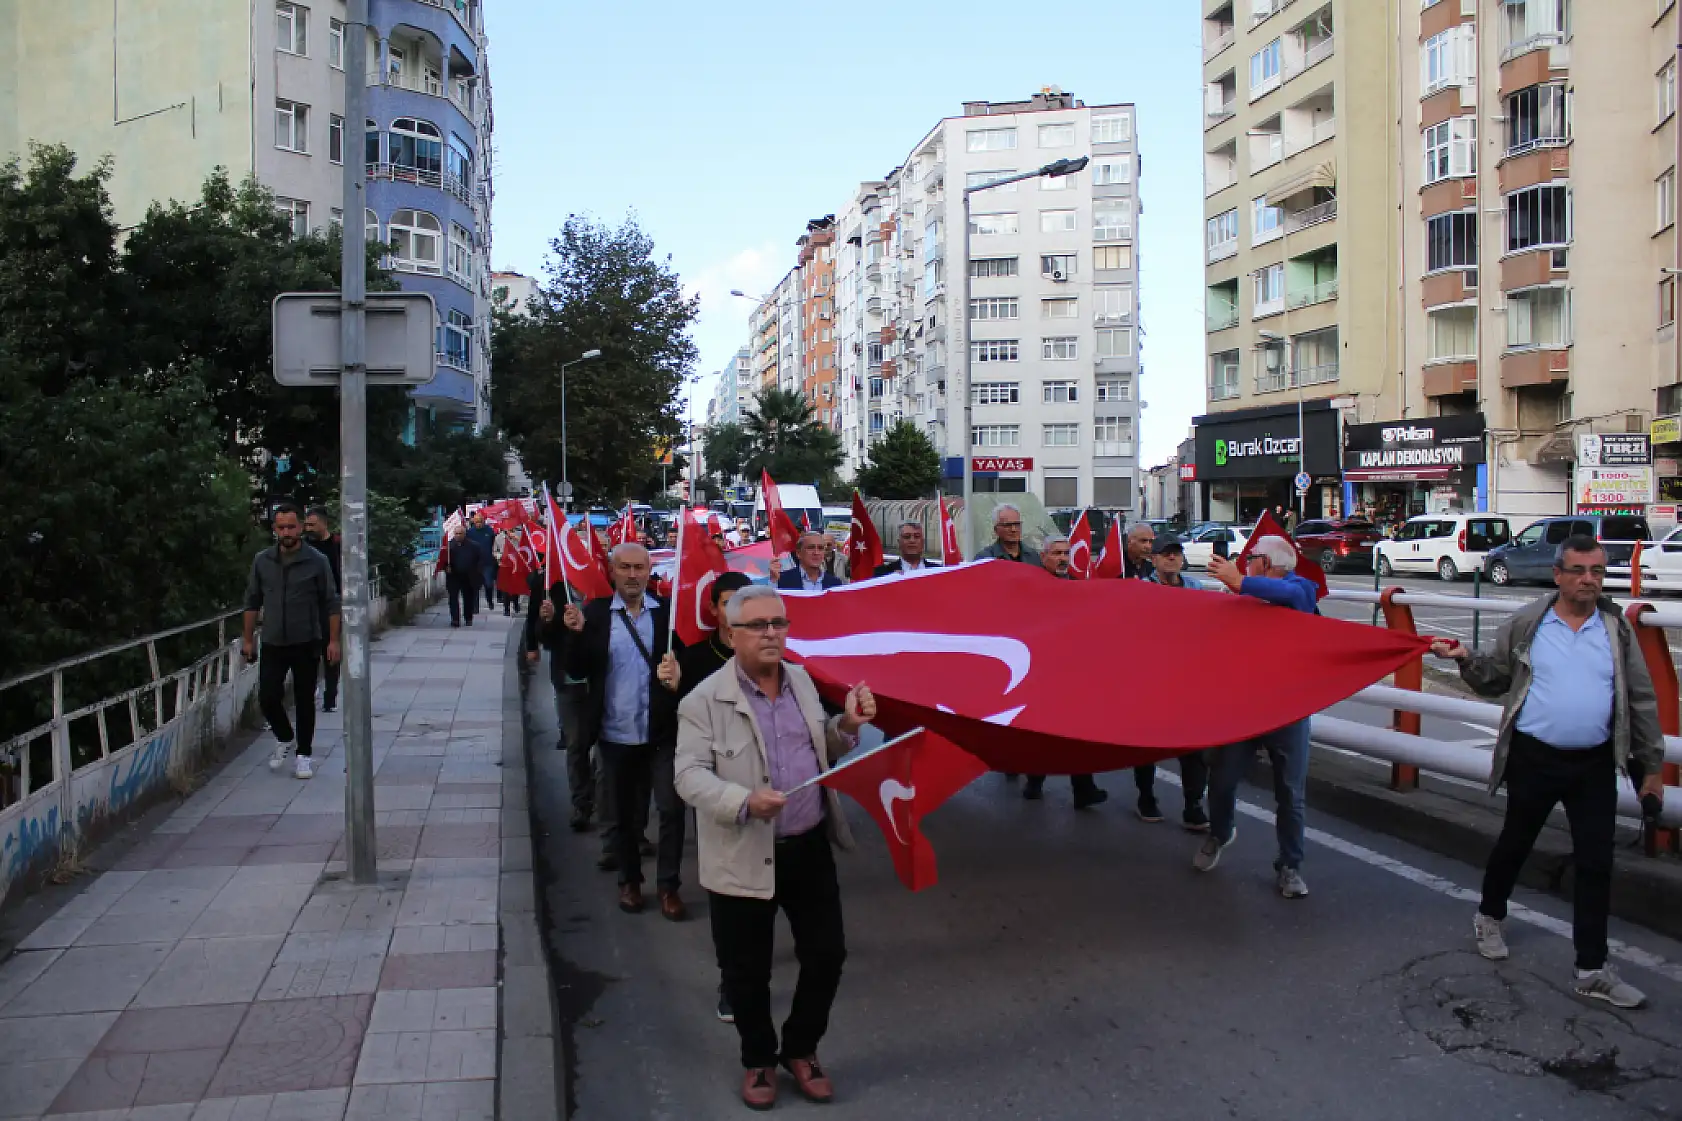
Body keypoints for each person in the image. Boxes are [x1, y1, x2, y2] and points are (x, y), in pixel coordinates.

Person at [1432, 535, 1664, 1009]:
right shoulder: (1529, 624)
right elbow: (1495, 677)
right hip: (1535, 757)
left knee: (1597, 863)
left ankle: (1592, 969)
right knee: (1516, 843)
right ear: (1557, 575)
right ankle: (1490, 914)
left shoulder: (1616, 630)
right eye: (1578, 570)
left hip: (1594, 763)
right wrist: (1463, 660)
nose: (1588, 580)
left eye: (1597, 571)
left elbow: (1640, 698)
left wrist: (1652, 768)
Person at [674, 585, 877, 1109]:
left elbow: (821, 745)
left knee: (827, 954)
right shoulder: (703, 700)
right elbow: (687, 777)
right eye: (759, 626)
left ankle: (801, 1049)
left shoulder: (804, 684)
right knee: (747, 970)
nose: (771, 634)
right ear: (732, 632)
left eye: (779, 624)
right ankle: (759, 1059)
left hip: (807, 846)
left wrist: (848, 726)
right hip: (742, 850)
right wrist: (742, 801)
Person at [562, 543, 687, 919]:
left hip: (661, 734)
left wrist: (678, 677)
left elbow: (686, 666)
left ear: (649, 571)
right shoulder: (595, 614)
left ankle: (668, 886)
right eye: (625, 567)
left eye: (639, 567)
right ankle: (630, 881)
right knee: (623, 814)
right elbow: (577, 669)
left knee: (670, 810)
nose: (633, 575)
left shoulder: (667, 614)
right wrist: (576, 635)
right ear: (612, 571)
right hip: (615, 734)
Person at [1199, 538, 1318, 897]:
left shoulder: (1301, 589)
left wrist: (1241, 582)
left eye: (1250, 559)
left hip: (1289, 708)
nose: (1245, 564)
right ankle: (1220, 832)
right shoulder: (1240, 595)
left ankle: (1290, 865)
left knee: (1290, 793)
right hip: (1244, 706)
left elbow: (1293, 597)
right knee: (1221, 779)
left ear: (1266, 562)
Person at [241, 504, 341, 781]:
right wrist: (247, 640)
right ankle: (284, 736)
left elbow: (332, 603)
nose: (286, 532)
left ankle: (304, 755)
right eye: (281, 527)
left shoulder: (316, 561)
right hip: (273, 641)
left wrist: (334, 641)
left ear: (300, 527)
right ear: (275, 529)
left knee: (305, 700)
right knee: (268, 697)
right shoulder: (263, 561)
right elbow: (251, 602)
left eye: (291, 526)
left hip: (306, 640)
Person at [1022, 537, 1107, 809]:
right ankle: (1035, 780)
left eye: (1066, 553)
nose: (1062, 558)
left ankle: (1083, 788)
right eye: (1056, 553)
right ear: (1043, 556)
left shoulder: (1076, 587)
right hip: (1040, 672)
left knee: (1077, 732)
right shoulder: (1031, 586)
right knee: (1042, 733)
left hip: (1071, 673)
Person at [1141, 535, 1210, 831]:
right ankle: (1146, 797)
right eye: (1166, 554)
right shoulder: (1141, 590)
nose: (1172, 558)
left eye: (1177, 554)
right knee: (1146, 744)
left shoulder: (1196, 588)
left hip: (1186, 681)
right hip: (1150, 679)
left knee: (1193, 746)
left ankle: (1193, 804)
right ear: (1153, 559)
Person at [1119, 523, 1171, 821]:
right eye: (1143, 541)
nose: (1149, 546)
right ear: (1129, 542)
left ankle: (1148, 796)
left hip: (1152, 666)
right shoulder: (1113, 564)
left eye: (1153, 541)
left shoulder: (1160, 578)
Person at [303, 506, 343, 713]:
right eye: (306, 524)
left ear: (324, 523)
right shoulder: (304, 546)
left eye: (312, 524)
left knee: (332, 650)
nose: (308, 528)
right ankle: (309, 692)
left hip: (331, 605)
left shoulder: (337, 545)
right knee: (309, 652)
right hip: (308, 607)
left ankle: (330, 696)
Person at [774, 532, 846, 591]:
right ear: (798, 553)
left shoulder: (835, 583)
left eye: (820, 548)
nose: (816, 552)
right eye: (811, 548)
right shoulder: (782, 579)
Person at [444, 524, 484, 627]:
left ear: (464, 534)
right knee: (453, 598)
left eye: (460, 533)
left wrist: (478, 575)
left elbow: (479, 561)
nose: (458, 535)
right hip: (453, 576)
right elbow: (443, 561)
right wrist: (446, 567)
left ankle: (468, 617)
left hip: (468, 576)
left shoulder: (474, 546)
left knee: (468, 598)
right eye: (456, 533)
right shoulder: (449, 546)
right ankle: (455, 619)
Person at [975, 504, 1040, 565]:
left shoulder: (1033, 556)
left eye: (1017, 524)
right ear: (996, 529)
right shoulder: (985, 558)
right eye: (1008, 525)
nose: (1013, 529)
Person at [874, 522, 940, 577]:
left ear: (923, 542)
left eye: (917, 536)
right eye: (907, 537)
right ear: (899, 542)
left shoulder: (938, 571)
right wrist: (891, 580)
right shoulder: (883, 574)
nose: (912, 541)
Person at [467, 510, 498, 611]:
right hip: (474, 563)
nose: (478, 524)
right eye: (476, 522)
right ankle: (475, 606)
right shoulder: (470, 532)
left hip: (487, 562)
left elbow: (494, 543)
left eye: (480, 521)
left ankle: (489, 600)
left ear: (483, 521)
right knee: (475, 586)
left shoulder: (489, 531)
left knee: (489, 584)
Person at [494, 525, 524, 617]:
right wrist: (500, 557)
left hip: (517, 565)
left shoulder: (520, 534)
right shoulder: (498, 537)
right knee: (506, 588)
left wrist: (517, 538)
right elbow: (495, 551)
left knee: (516, 586)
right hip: (505, 565)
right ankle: (506, 608)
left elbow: (525, 547)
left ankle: (515, 603)